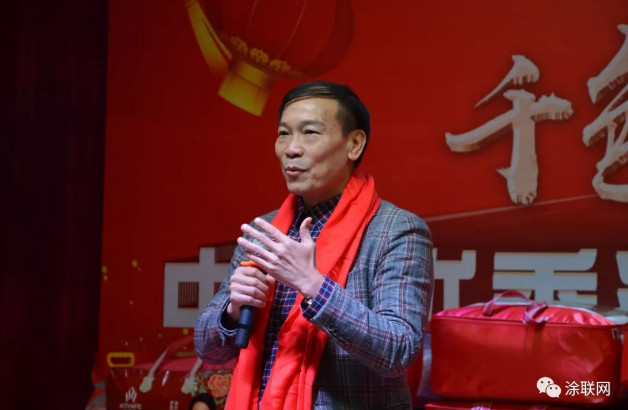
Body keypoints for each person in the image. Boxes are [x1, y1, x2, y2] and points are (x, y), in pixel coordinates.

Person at [194, 81, 434, 409]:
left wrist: (313, 285)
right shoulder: (264, 232)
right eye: (283, 134)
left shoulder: (397, 230)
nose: (291, 149)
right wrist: (232, 311)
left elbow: (399, 352)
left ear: (354, 144)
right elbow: (208, 350)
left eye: (310, 133)